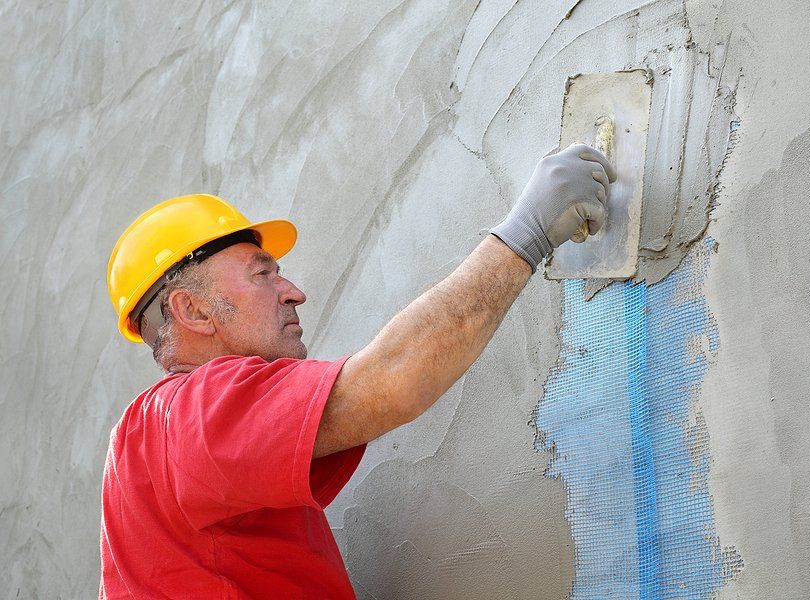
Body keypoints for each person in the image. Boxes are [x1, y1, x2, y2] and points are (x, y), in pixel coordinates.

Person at [99, 143, 615, 598]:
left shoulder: (164, 438)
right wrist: (526, 232)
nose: (294, 292)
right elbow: (392, 382)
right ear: (194, 311)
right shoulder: (195, 412)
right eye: (263, 274)